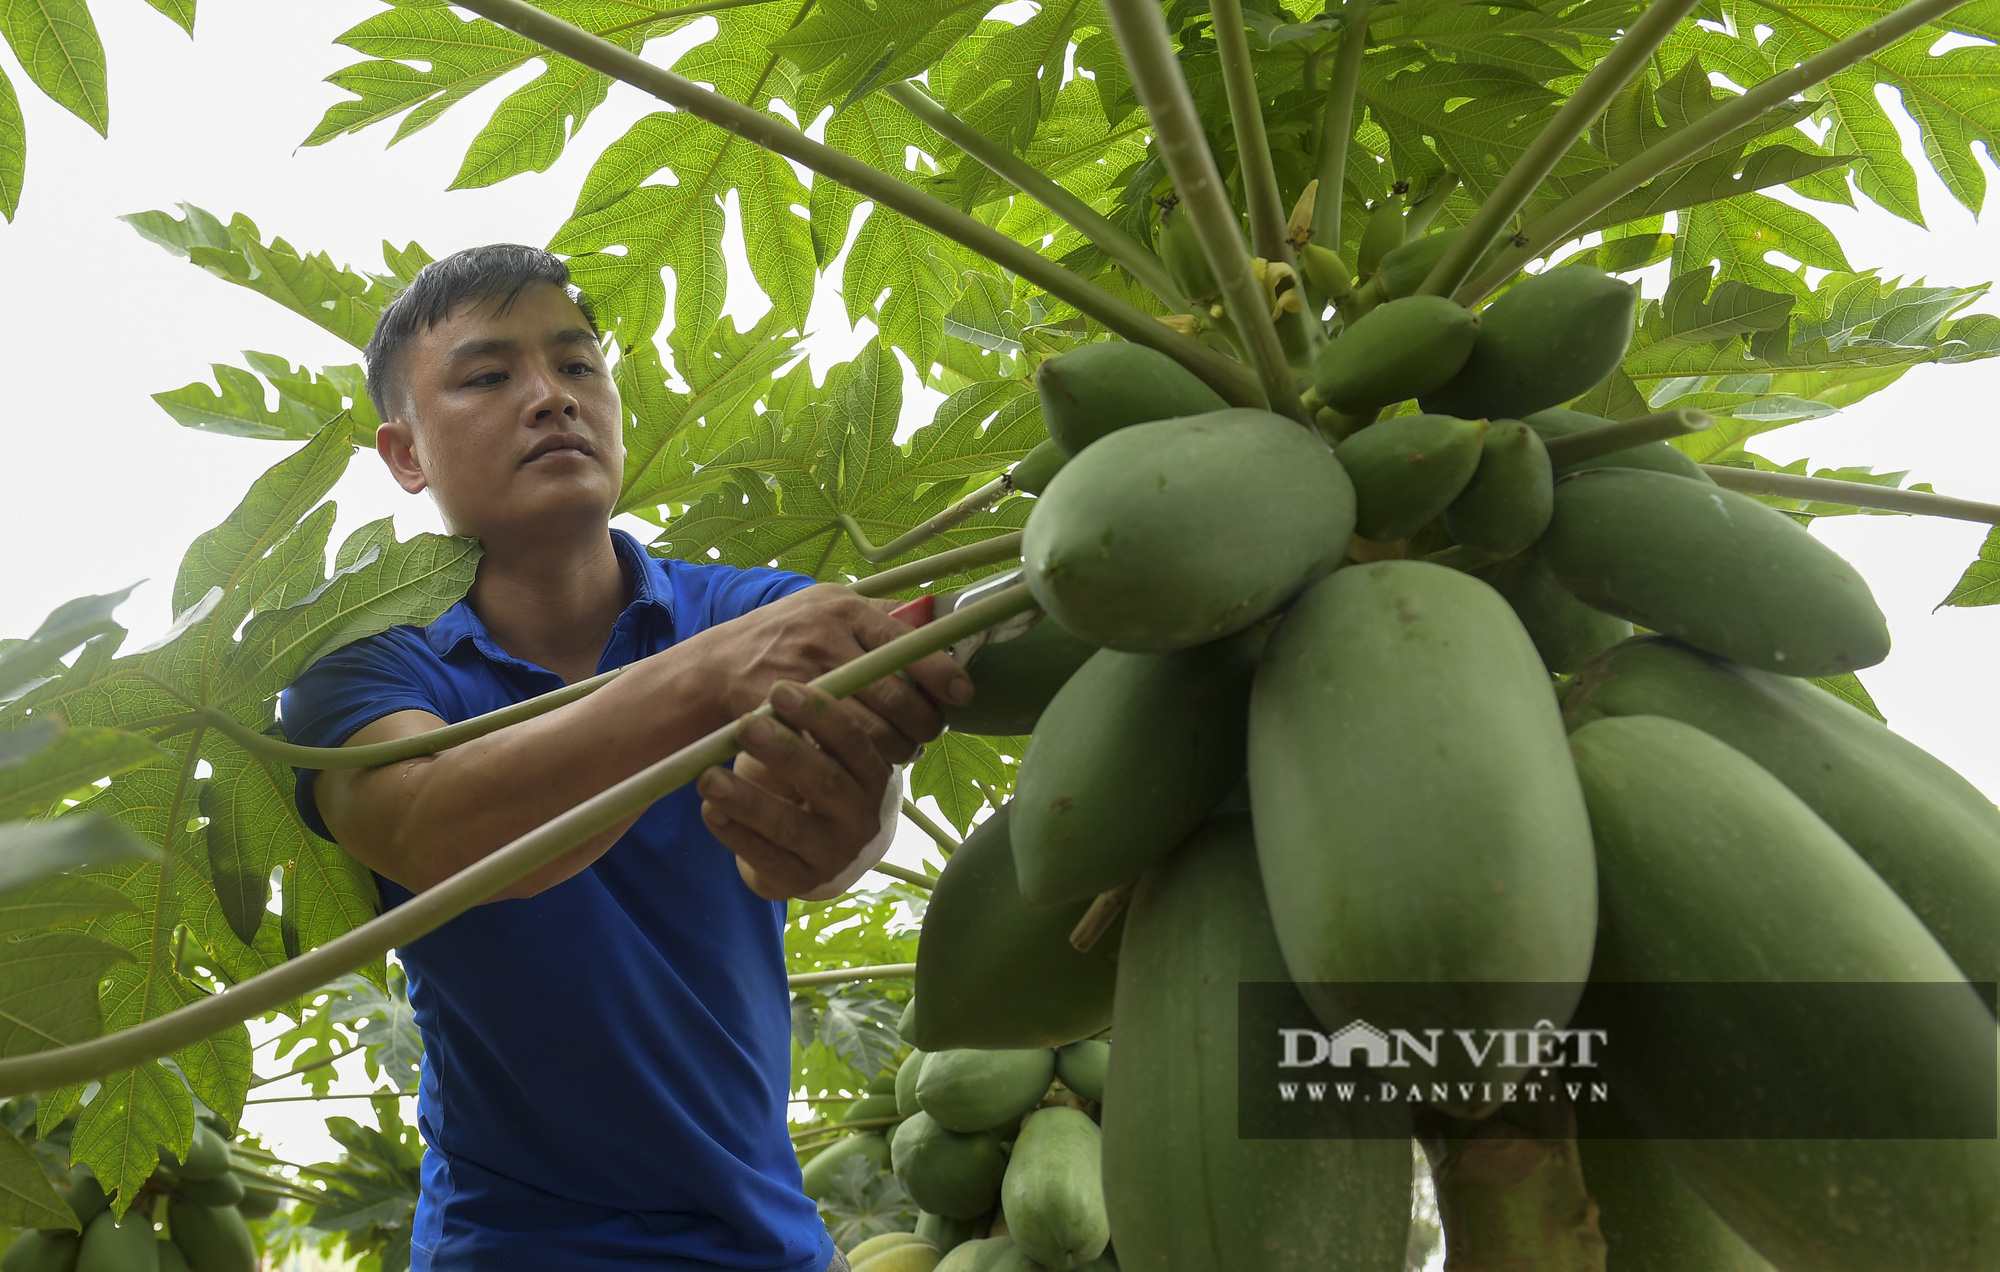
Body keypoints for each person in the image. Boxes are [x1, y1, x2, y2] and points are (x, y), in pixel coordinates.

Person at [278, 244, 973, 1271]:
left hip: (772, 1244)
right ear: (405, 454)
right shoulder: (359, 667)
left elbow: (843, 818)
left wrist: (839, 831)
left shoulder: (744, 611)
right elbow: (433, 825)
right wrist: (708, 683)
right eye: (487, 376)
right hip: (513, 1251)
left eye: (578, 366)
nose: (550, 398)